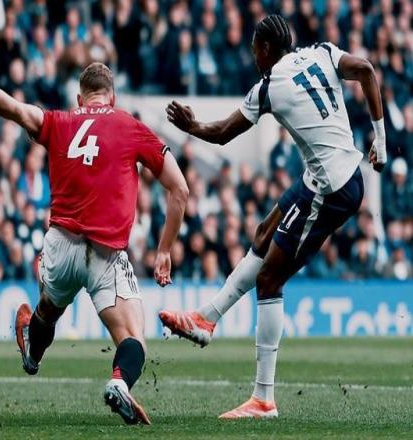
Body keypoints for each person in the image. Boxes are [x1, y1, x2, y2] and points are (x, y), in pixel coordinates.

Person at [160, 14, 386, 419]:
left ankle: (263, 399)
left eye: (254, 50)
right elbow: (367, 70)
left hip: (331, 189)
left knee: (269, 278)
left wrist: (191, 126)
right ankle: (206, 319)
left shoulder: (269, 86)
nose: (253, 58)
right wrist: (380, 141)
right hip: (338, 173)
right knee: (265, 233)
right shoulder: (322, 52)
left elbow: (223, 133)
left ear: (265, 49)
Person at [0, 58, 188, 425]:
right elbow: (179, 189)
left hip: (59, 246)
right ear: (112, 98)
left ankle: (32, 355)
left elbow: (18, 111)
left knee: (48, 310)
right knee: (132, 337)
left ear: (79, 98)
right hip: (104, 253)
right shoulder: (130, 126)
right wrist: (164, 249)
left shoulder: (60, 121)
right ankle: (119, 382)